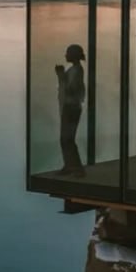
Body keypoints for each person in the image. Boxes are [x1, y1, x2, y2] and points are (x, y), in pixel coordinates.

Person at [55, 44, 86, 176]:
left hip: (71, 108)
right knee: (66, 139)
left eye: (68, 53)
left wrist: (61, 75)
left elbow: (70, 89)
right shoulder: (76, 70)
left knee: (67, 139)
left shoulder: (76, 70)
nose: (65, 55)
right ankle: (70, 166)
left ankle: (75, 167)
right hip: (70, 107)